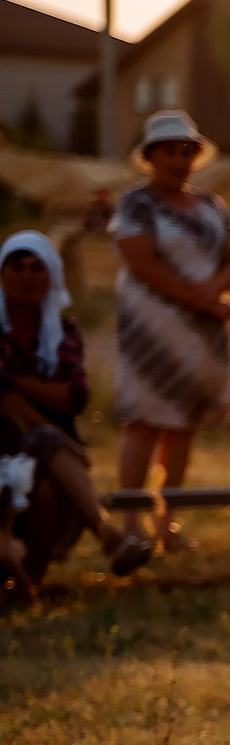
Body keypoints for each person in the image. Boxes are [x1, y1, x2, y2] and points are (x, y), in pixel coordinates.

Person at [111, 110, 230, 550]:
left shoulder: (211, 206)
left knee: (184, 426)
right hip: (151, 331)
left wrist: (212, 292)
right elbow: (141, 263)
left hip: (201, 335)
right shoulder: (136, 204)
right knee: (144, 423)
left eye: (186, 151)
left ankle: (167, 522)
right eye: (169, 151)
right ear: (151, 157)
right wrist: (202, 299)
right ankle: (131, 523)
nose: (178, 160)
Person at [0, 232, 153, 586]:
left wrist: (18, 382)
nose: (26, 276)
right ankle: (107, 533)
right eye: (17, 267)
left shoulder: (64, 331)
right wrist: (57, 432)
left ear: (50, 276)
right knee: (42, 439)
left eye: (36, 268)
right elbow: (4, 401)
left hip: (52, 450)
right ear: (3, 275)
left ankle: (30, 583)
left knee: (49, 491)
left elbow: (75, 397)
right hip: (8, 440)